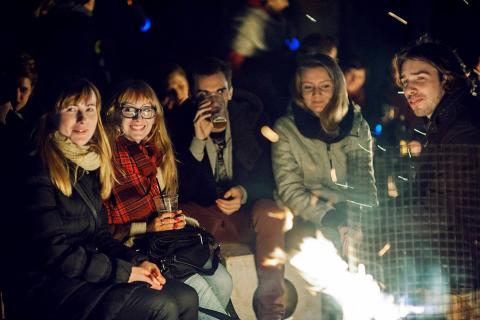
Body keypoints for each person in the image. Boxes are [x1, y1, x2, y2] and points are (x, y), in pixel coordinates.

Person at [2, 78, 198, 320]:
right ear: (52, 115)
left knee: (187, 296)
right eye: (72, 109)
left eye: (90, 109)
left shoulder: (88, 165)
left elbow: (101, 235)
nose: (83, 120)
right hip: (49, 285)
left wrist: (139, 262)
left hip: (88, 273)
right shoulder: (37, 168)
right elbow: (55, 253)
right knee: (161, 305)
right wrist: (126, 272)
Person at [103, 79, 233, 320]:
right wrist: (148, 226)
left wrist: (177, 220)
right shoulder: (106, 157)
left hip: (165, 244)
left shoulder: (156, 151)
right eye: (130, 110)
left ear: (155, 116)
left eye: (146, 110)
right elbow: (102, 231)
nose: (138, 118)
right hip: (136, 252)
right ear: (115, 114)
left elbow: (197, 194)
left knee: (223, 279)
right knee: (202, 293)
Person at [173, 57, 286, 320]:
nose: (214, 101)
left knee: (270, 212)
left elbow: (268, 177)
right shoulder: (179, 124)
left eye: (220, 91)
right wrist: (197, 142)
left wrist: (244, 193)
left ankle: (273, 311)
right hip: (204, 219)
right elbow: (179, 189)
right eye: (204, 94)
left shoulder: (251, 120)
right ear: (192, 96)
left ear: (231, 92)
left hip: (241, 216)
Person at [392, 38, 480, 319]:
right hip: (456, 269)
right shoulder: (444, 124)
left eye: (420, 78)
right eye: (405, 81)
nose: (409, 89)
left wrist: (376, 221)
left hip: (468, 276)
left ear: (447, 78)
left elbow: (441, 212)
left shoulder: (462, 128)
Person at [272, 53, 378, 257]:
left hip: (348, 211)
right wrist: (335, 220)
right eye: (308, 87)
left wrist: (358, 223)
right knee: (326, 248)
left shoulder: (355, 125)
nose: (317, 94)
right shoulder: (286, 130)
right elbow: (290, 189)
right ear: (299, 90)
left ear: (337, 87)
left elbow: (364, 180)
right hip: (306, 214)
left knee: (372, 249)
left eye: (325, 86)